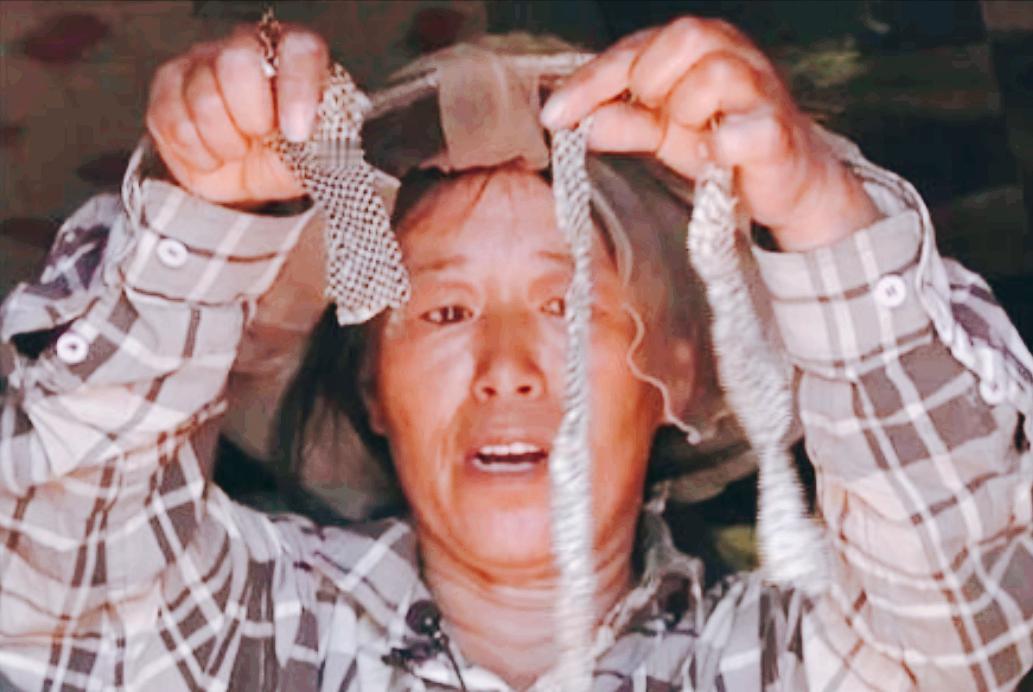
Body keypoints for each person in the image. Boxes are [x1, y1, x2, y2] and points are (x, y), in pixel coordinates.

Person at [1, 15, 1031, 692]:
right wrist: (203, 214)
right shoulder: (265, 634)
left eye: (566, 304)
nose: (506, 366)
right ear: (372, 385)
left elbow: (959, 619)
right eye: (446, 312)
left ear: (679, 364)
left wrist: (815, 207)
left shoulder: (768, 661)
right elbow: (60, 584)